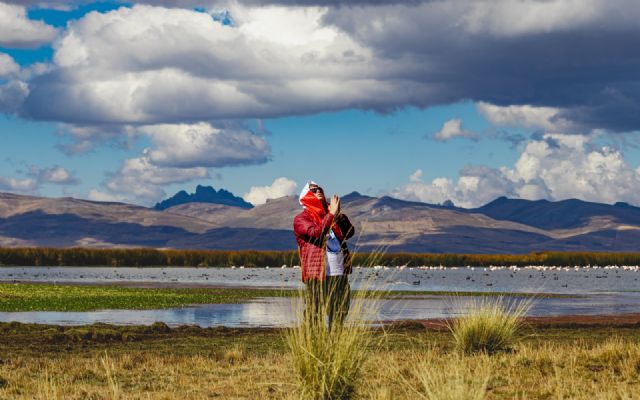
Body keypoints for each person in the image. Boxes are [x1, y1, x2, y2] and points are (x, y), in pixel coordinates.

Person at [293, 181, 355, 329]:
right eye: (314, 190)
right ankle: (314, 344)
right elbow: (317, 233)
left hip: (338, 273)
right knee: (315, 311)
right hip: (317, 275)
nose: (318, 191)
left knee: (340, 310)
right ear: (307, 196)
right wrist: (331, 214)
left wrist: (338, 215)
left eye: (320, 189)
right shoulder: (301, 219)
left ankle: (335, 342)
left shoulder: (331, 215)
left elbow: (349, 233)